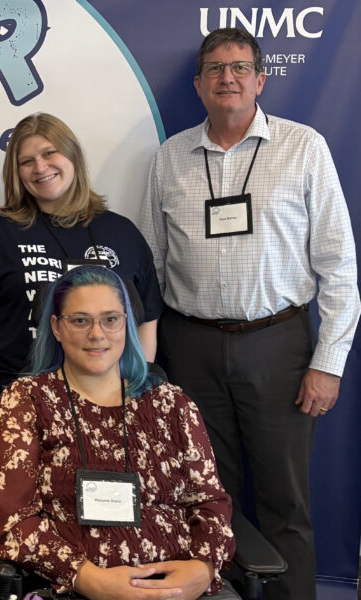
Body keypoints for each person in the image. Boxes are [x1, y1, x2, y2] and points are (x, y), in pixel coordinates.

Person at [137, 28, 360, 600]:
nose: (227, 78)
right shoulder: (171, 157)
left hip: (280, 347)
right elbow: (151, 262)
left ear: (261, 79)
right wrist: (149, 359)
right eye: (214, 68)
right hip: (192, 347)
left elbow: (338, 264)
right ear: (198, 85)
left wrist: (328, 362)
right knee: (208, 493)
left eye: (239, 67)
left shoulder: (303, 146)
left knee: (286, 500)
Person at [0, 266, 234, 599]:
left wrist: (203, 568)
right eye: (80, 320)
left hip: (179, 587)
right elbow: (13, 523)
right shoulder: (25, 401)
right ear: (57, 327)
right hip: (75, 587)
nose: (97, 334)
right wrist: (87, 578)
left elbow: (210, 503)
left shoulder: (172, 403)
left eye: (110, 319)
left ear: (126, 324)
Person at [0, 113, 163, 452]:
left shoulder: (121, 233)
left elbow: (146, 317)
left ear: (72, 156)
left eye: (49, 154)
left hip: (106, 408)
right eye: (26, 161)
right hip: (16, 404)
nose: (40, 167)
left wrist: (132, 388)